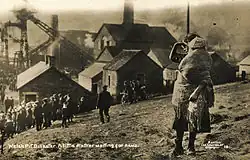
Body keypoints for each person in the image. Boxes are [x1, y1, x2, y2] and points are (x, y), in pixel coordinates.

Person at [170, 33, 214, 157]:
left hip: (194, 92)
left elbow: (204, 75)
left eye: (187, 43)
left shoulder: (200, 56)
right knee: (181, 119)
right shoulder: (187, 56)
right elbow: (173, 58)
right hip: (181, 92)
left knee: (192, 119)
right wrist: (176, 45)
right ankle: (179, 146)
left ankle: (190, 146)